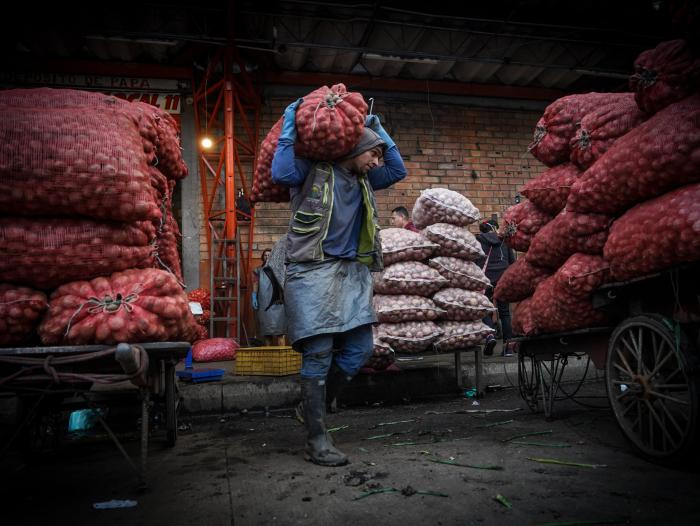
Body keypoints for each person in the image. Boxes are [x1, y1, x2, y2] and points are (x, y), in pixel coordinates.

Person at [271, 99, 407, 466]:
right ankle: (316, 440)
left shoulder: (365, 178)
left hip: (350, 273)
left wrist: (380, 132)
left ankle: (309, 406)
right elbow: (281, 174)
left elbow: (398, 170)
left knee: (359, 350)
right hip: (311, 271)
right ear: (356, 149)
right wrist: (288, 123)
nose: (377, 161)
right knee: (318, 353)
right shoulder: (311, 171)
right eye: (373, 154)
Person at [475, 218, 516, 357]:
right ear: (495, 228)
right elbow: (512, 263)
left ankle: (490, 336)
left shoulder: (479, 241)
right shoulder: (505, 241)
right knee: (505, 313)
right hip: (503, 280)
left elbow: (475, 262)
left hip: (486, 281)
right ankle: (508, 348)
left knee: (484, 311)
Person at [252, 248, 286, 346]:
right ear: (262, 257)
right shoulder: (258, 270)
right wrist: (254, 296)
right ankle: (269, 359)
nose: (267, 257)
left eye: (269, 255)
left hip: (278, 303)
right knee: (267, 333)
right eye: (265, 255)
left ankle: (282, 359)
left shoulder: (279, 270)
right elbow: (255, 283)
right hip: (264, 303)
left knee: (280, 332)